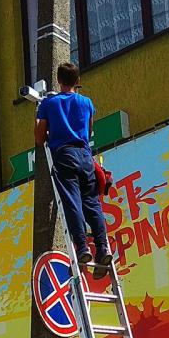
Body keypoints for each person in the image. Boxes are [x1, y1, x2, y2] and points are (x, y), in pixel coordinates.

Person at [34, 62, 111, 279]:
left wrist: (44, 122)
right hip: (85, 156)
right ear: (78, 81)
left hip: (64, 155)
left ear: (59, 80)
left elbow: (39, 138)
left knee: (72, 202)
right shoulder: (86, 103)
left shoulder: (49, 103)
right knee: (92, 203)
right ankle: (103, 247)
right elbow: (89, 130)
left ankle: (82, 248)